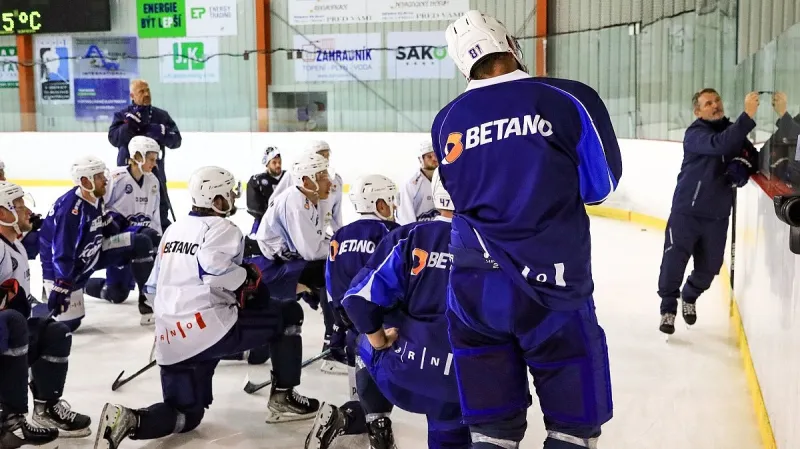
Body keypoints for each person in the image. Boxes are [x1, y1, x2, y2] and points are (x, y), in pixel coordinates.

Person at [431, 10, 622, 448]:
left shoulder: (446, 121)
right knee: (572, 430)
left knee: (491, 432)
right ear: (510, 44)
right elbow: (601, 187)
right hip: (552, 291)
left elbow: (458, 198)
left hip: (473, 296)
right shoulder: (569, 98)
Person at [94, 166, 321, 449]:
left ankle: (128, 419)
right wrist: (246, 277)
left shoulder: (173, 230)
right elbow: (215, 272)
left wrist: (174, 324)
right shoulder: (224, 228)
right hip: (209, 329)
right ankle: (284, 397)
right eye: (228, 193)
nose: (232, 197)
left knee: (185, 415)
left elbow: (151, 288)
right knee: (288, 313)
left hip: (170, 339)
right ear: (216, 199)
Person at [307, 169, 470, 449]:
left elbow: (352, 299)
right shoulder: (491, 244)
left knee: (365, 344)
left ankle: (370, 418)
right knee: (451, 426)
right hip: (462, 375)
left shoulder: (406, 236)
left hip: (405, 366)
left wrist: (373, 335)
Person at [657, 89, 760, 334]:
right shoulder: (695, 134)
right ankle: (668, 308)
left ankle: (690, 295)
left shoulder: (733, 131)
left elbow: (753, 155)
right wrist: (748, 115)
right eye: (708, 103)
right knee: (674, 261)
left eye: (717, 101)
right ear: (698, 111)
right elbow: (719, 145)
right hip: (687, 211)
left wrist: (743, 165)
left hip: (717, 216)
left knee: (711, 267)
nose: (715, 105)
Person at [0, 181, 92, 448]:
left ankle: (46, 408)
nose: (27, 209)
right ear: (2, 213)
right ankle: (9, 419)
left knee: (53, 331)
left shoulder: (13, 244)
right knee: (14, 322)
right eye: (18, 205)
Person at [37, 156, 158, 331]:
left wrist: (127, 229)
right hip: (68, 270)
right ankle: (45, 298)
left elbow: (105, 224)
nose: (106, 180)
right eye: (100, 176)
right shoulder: (70, 210)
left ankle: (148, 302)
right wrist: (62, 283)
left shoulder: (94, 196)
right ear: (85, 181)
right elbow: (61, 251)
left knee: (141, 240)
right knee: (68, 325)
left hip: (93, 253)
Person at [248, 151, 340, 372]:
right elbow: (311, 252)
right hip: (267, 268)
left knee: (268, 334)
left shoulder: (307, 198)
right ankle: (333, 342)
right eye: (322, 176)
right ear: (307, 180)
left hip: (279, 263)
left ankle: (254, 348)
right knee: (330, 271)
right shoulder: (298, 203)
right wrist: (343, 248)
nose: (330, 181)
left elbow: (315, 242)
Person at [322, 175, 401, 382]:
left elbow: (330, 279)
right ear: (381, 204)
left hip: (349, 320)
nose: (394, 206)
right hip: (383, 325)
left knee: (355, 356)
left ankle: (359, 402)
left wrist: (340, 317)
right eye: (391, 200)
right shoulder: (391, 232)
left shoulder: (340, 234)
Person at [84, 136, 162, 325]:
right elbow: (99, 208)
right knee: (116, 294)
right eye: (151, 158)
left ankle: (151, 297)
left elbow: (155, 215)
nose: (154, 163)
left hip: (140, 238)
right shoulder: (115, 178)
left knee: (151, 237)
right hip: (117, 238)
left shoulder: (153, 182)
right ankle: (79, 286)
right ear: (137, 156)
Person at [108, 79, 182, 230]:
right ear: (132, 95)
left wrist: (162, 133)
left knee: (159, 212)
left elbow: (176, 141)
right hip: (127, 174)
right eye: (142, 91)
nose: (147, 94)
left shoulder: (161, 116)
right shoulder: (122, 115)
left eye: (148, 90)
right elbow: (113, 139)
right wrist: (128, 127)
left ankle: (157, 244)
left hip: (155, 173)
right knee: (126, 211)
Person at [396, 140, 440, 225]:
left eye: (435, 155)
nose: (434, 159)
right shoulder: (410, 184)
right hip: (419, 232)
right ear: (421, 159)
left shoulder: (448, 179)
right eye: (429, 156)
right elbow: (406, 218)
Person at [246, 146, 287, 234]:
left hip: (286, 222)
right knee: (254, 241)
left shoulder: (288, 177)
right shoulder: (258, 180)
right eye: (274, 162)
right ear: (267, 164)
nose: (278, 165)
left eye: (280, 162)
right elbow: (254, 207)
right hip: (264, 222)